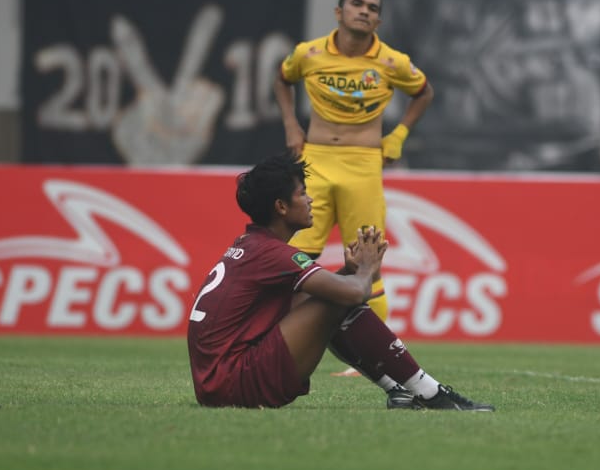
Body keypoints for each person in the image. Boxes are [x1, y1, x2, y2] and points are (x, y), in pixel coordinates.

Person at [186, 153, 493, 411]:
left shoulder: (252, 244)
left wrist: (350, 270)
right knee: (339, 298)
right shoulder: (273, 254)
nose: (310, 199)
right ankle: (429, 394)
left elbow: (332, 291)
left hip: (216, 383)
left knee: (328, 295)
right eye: (302, 193)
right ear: (281, 207)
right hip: (237, 383)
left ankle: (401, 391)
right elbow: (354, 293)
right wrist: (366, 268)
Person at [273, 0, 434, 342]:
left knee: (367, 261)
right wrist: (290, 126)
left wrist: (399, 136)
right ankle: (280, 341)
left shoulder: (393, 62)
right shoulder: (308, 54)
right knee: (294, 259)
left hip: (362, 165)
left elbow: (423, 92)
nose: (364, 11)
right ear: (339, 13)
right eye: (357, 3)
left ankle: (371, 355)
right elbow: (283, 80)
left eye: (372, 8)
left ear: (377, 21)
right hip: (314, 161)